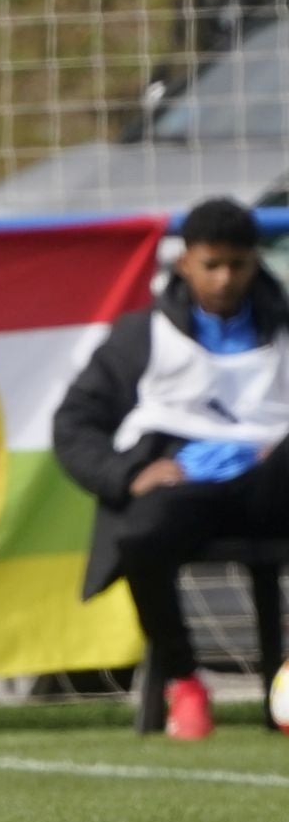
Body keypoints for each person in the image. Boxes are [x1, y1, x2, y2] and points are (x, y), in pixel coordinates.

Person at [53, 198, 289, 741]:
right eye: (212, 265)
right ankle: (184, 680)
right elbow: (73, 423)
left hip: (273, 481)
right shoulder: (142, 336)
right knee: (140, 532)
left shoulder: (282, 327)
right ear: (185, 263)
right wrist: (124, 475)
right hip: (189, 487)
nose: (226, 279)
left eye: (239, 264)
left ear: (257, 263)